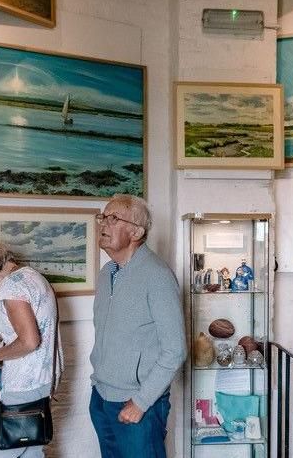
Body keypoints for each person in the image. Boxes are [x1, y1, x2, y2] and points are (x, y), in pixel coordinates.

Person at [89, 194, 185, 458]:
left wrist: (141, 402)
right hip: (101, 398)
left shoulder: (157, 276)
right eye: (103, 217)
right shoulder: (107, 272)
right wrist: (97, 391)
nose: (103, 224)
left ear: (136, 232)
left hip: (137, 405)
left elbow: (175, 351)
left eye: (113, 218)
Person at [0, 239, 62, 458]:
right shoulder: (33, 276)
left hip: (24, 383)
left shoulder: (11, 287)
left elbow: (29, 341)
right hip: (43, 379)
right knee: (32, 450)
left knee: (0, 452)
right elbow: (38, 322)